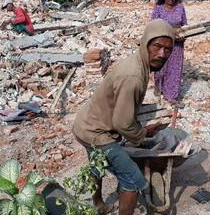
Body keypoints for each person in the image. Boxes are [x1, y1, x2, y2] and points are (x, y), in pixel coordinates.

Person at [72, 19, 174, 215]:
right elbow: (122, 123)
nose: (162, 54)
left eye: (168, 49)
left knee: (97, 165)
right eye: (157, 46)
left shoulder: (137, 62)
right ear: (145, 44)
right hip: (97, 132)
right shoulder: (134, 76)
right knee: (133, 180)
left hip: (86, 123)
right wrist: (143, 133)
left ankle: (97, 204)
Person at [151, 0, 187, 105]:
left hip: (177, 45)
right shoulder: (158, 8)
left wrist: (183, 35)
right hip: (162, 44)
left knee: (175, 69)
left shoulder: (180, 8)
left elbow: (184, 25)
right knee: (160, 69)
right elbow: (153, 26)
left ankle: (172, 96)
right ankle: (158, 87)